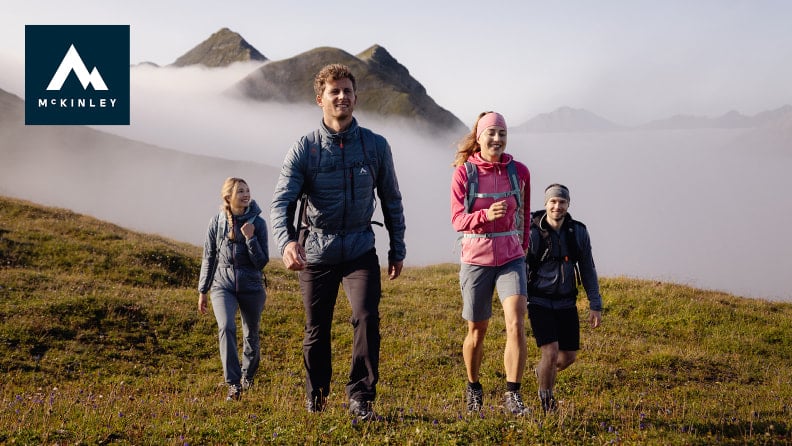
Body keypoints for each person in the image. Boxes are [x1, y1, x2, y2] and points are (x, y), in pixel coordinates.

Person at [269, 63, 406, 420]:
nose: (342, 96)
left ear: (356, 97)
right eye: (334, 91)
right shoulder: (305, 148)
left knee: (366, 317)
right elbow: (281, 201)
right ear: (320, 99)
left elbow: (391, 199)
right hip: (316, 250)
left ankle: (361, 397)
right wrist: (286, 242)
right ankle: (316, 394)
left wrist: (397, 248)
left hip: (360, 247)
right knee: (317, 327)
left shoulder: (375, 146)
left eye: (347, 91)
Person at [450, 111, 532, 415]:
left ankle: (513, 394)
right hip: (476, 260)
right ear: (480, 137)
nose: (497, 139)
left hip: (511, 258)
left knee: (516, 322)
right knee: (477, 330)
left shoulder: (519, 171)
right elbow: (458, 219)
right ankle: (473, 387)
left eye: (502, 133)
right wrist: (486, 215)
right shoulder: (464, 173)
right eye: (492, 133)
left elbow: (523, 216)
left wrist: (522, 249)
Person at [526, 183, 602, 412]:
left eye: (562, 202)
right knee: (550, 352)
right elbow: (519, 265)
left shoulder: (577, 232)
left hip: (566, 301)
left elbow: (588, 268)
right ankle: (547, 401)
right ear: (546, 203)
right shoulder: (531, 231)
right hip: (538, 300)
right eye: (553, 201)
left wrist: (595, 304)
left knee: (568, 356)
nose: (557, 206)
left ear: (568, 204)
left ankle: (542, 371)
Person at [198, 177, 269, 401]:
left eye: (247, 190)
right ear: (228, 197)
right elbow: (208, 257)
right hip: (222, 285)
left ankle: (248, 376)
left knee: (251, 335)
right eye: (240, 191)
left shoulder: (259, 223)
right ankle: (233, 384)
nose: (246, 195)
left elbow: (262, 262)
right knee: (226, 327)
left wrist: (250, 238)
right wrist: (203, 290)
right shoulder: (216, 222)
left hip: (252, 285)